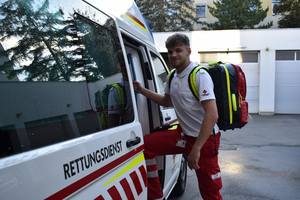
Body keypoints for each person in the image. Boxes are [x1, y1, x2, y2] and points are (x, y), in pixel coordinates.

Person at [133, 33, 223, 200]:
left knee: (209, 190)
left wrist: (196, 149)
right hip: (183, 136)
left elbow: (212, 114)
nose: (173, 55)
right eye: (170, 51)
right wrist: (142, 90)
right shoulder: (172, 76)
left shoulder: (199, 75)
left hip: (204, 142)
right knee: (145, 146)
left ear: (188, 51)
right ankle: (155, 196)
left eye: (178, 50)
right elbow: (166, 101)